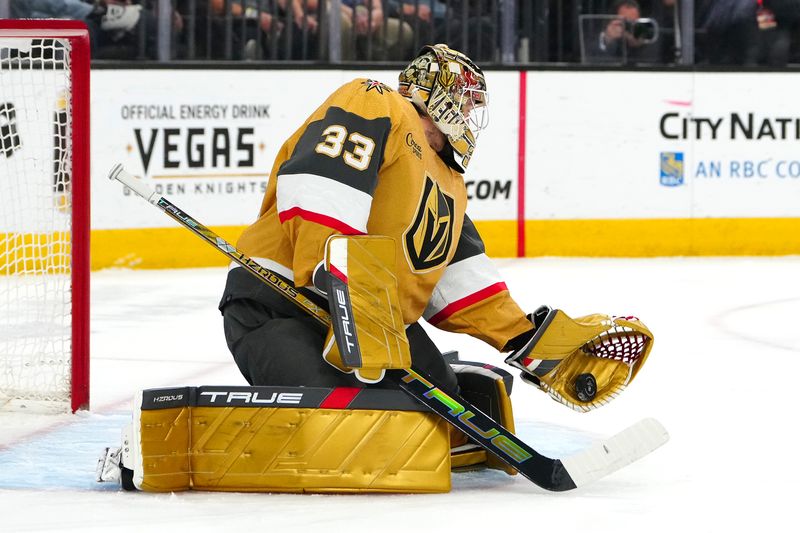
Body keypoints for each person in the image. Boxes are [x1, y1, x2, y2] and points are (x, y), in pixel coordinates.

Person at [585, 0, 661, 64]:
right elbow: (589, 60)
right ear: (612, 21)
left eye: (634, 22)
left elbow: (654, 62)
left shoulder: (646, 39)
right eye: (625, 23)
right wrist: (607, 39)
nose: (630, 27)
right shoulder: (594, 38)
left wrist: (639, 45)